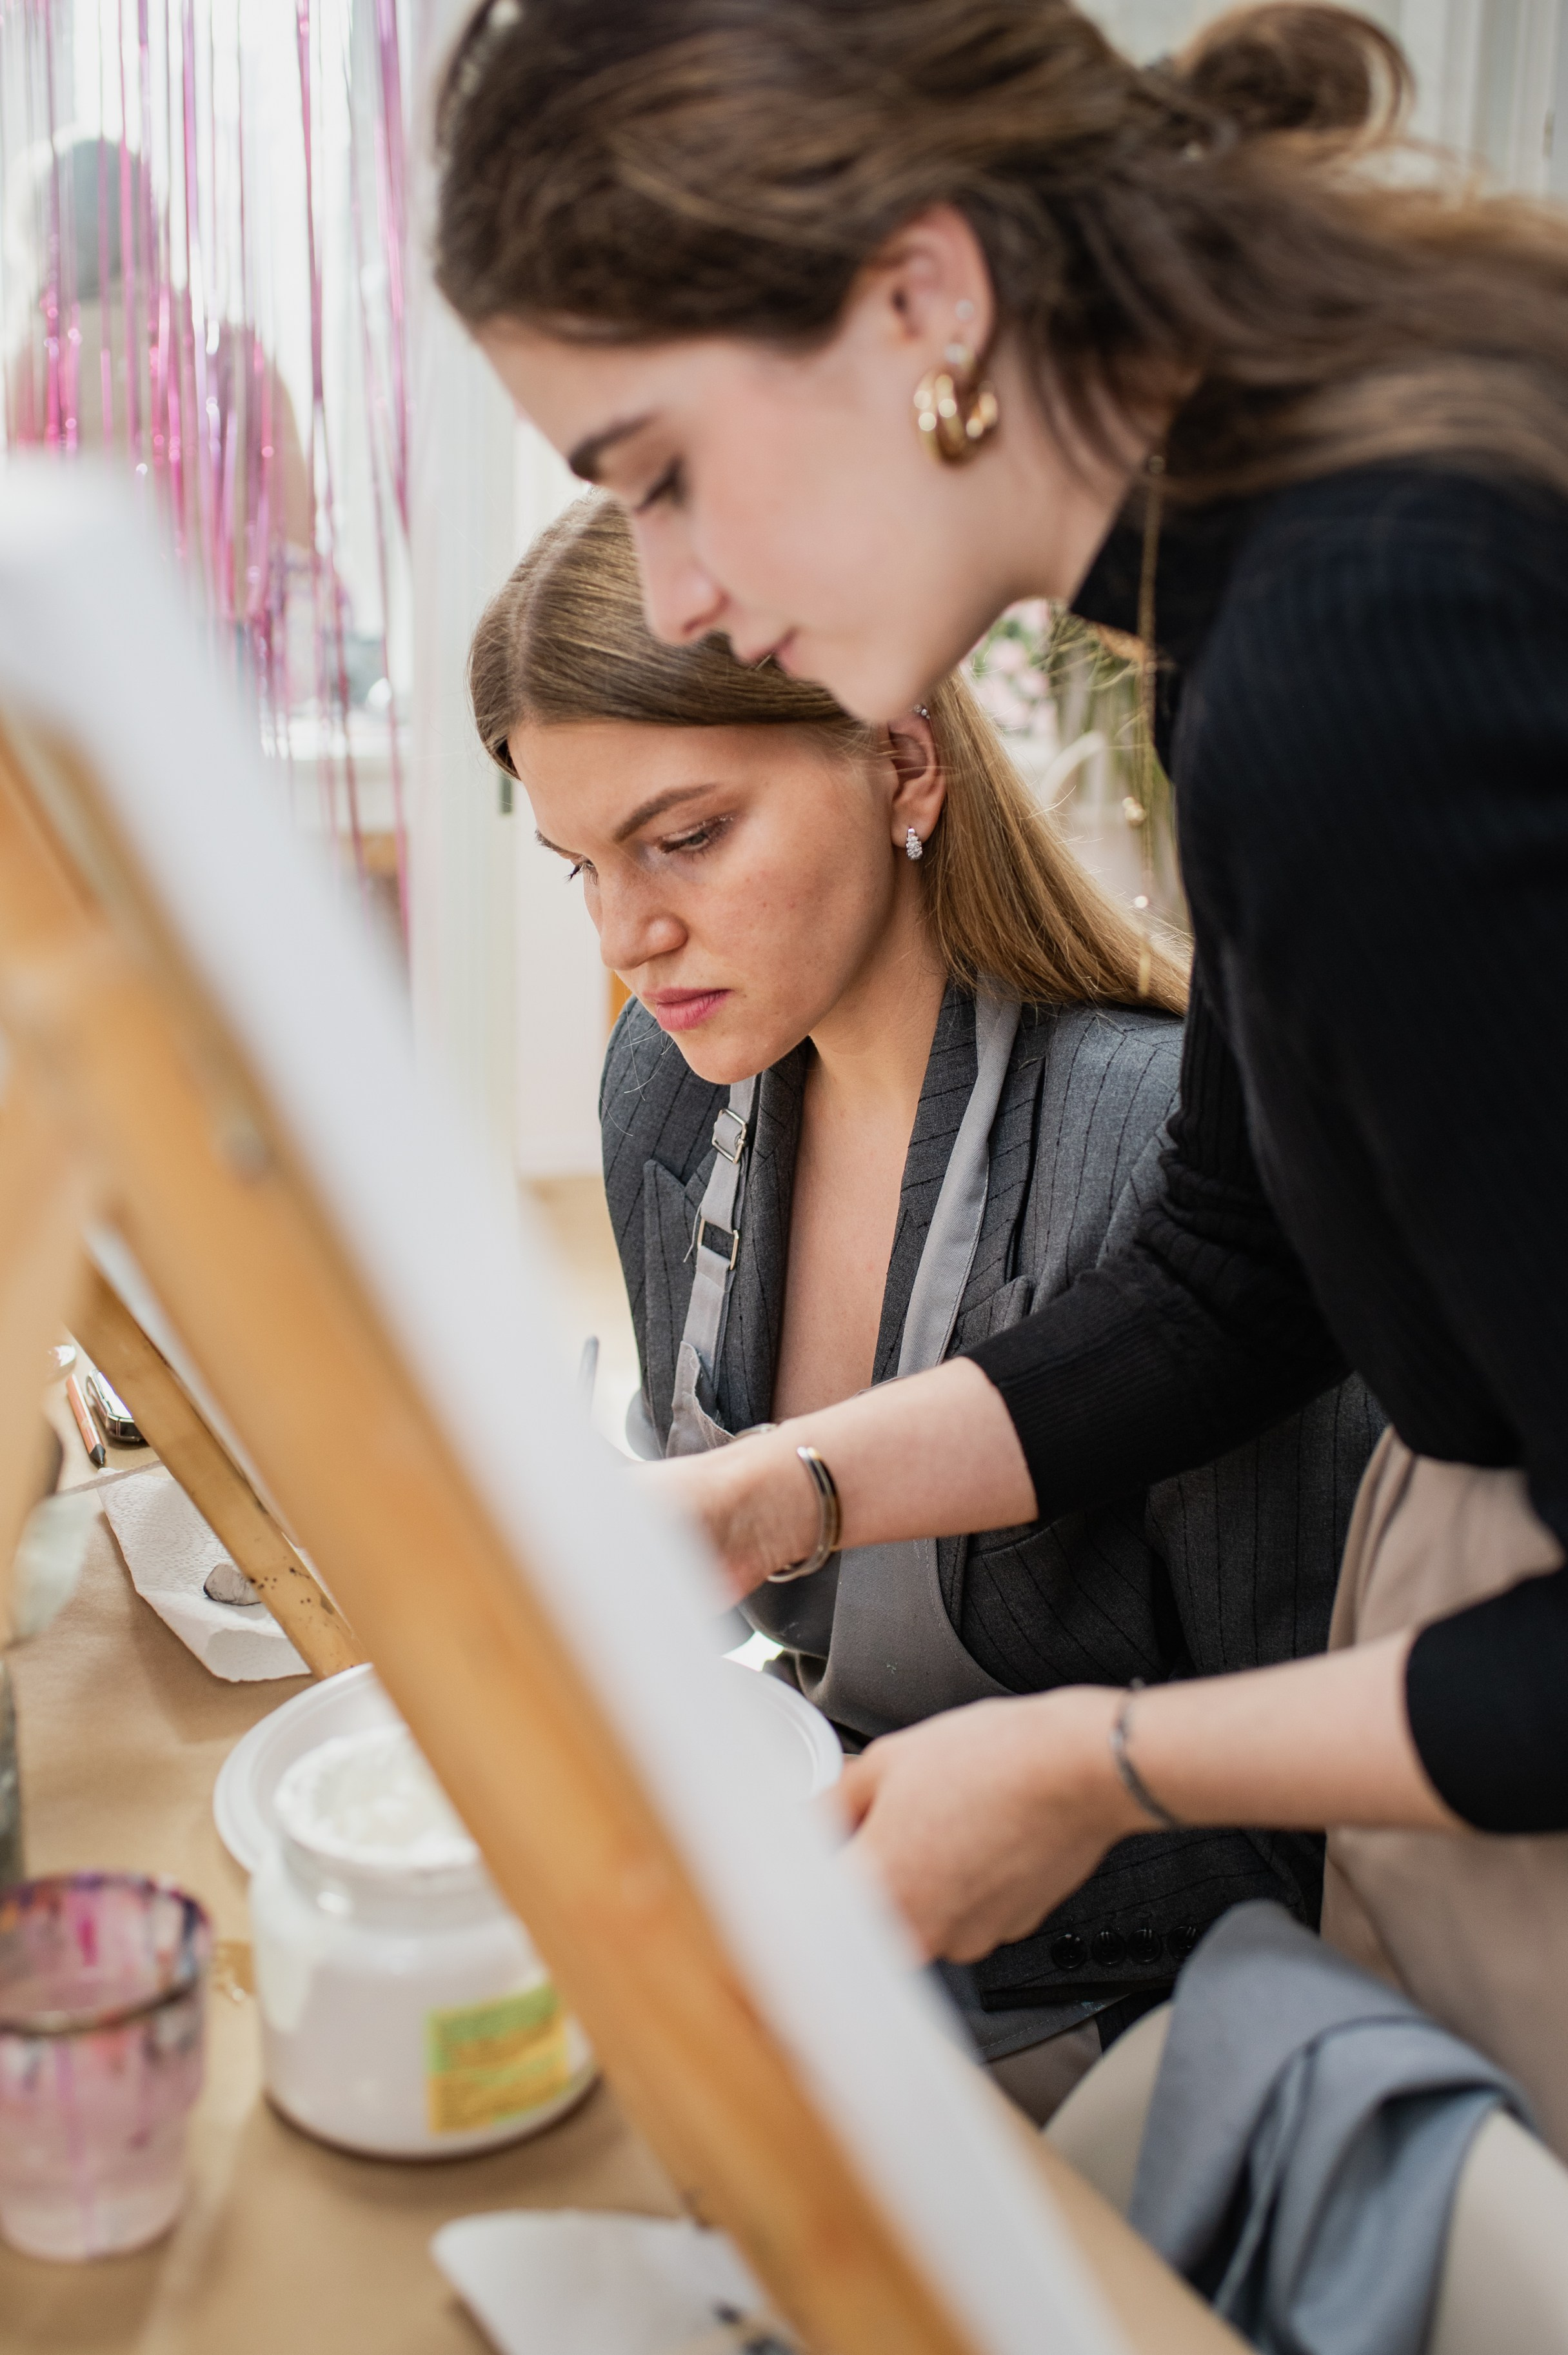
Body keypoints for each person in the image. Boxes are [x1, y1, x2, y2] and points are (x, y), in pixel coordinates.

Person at [435, 0, 1568, 2149]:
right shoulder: (1260, 609)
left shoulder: (1356, 663)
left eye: (664, 473)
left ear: (930, 300)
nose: (676, 588)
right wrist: (778, 1491)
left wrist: (1096, 1767)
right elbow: (1237, 1272)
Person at [470, 494, 1380, 2110]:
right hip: (817, 1939)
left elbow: (1305, 1835)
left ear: (902, 762)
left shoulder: (1164, 1163)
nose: (630, 934)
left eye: (687, 837)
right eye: (580, 866)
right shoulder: (664, 1092)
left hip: (1123, 2038)